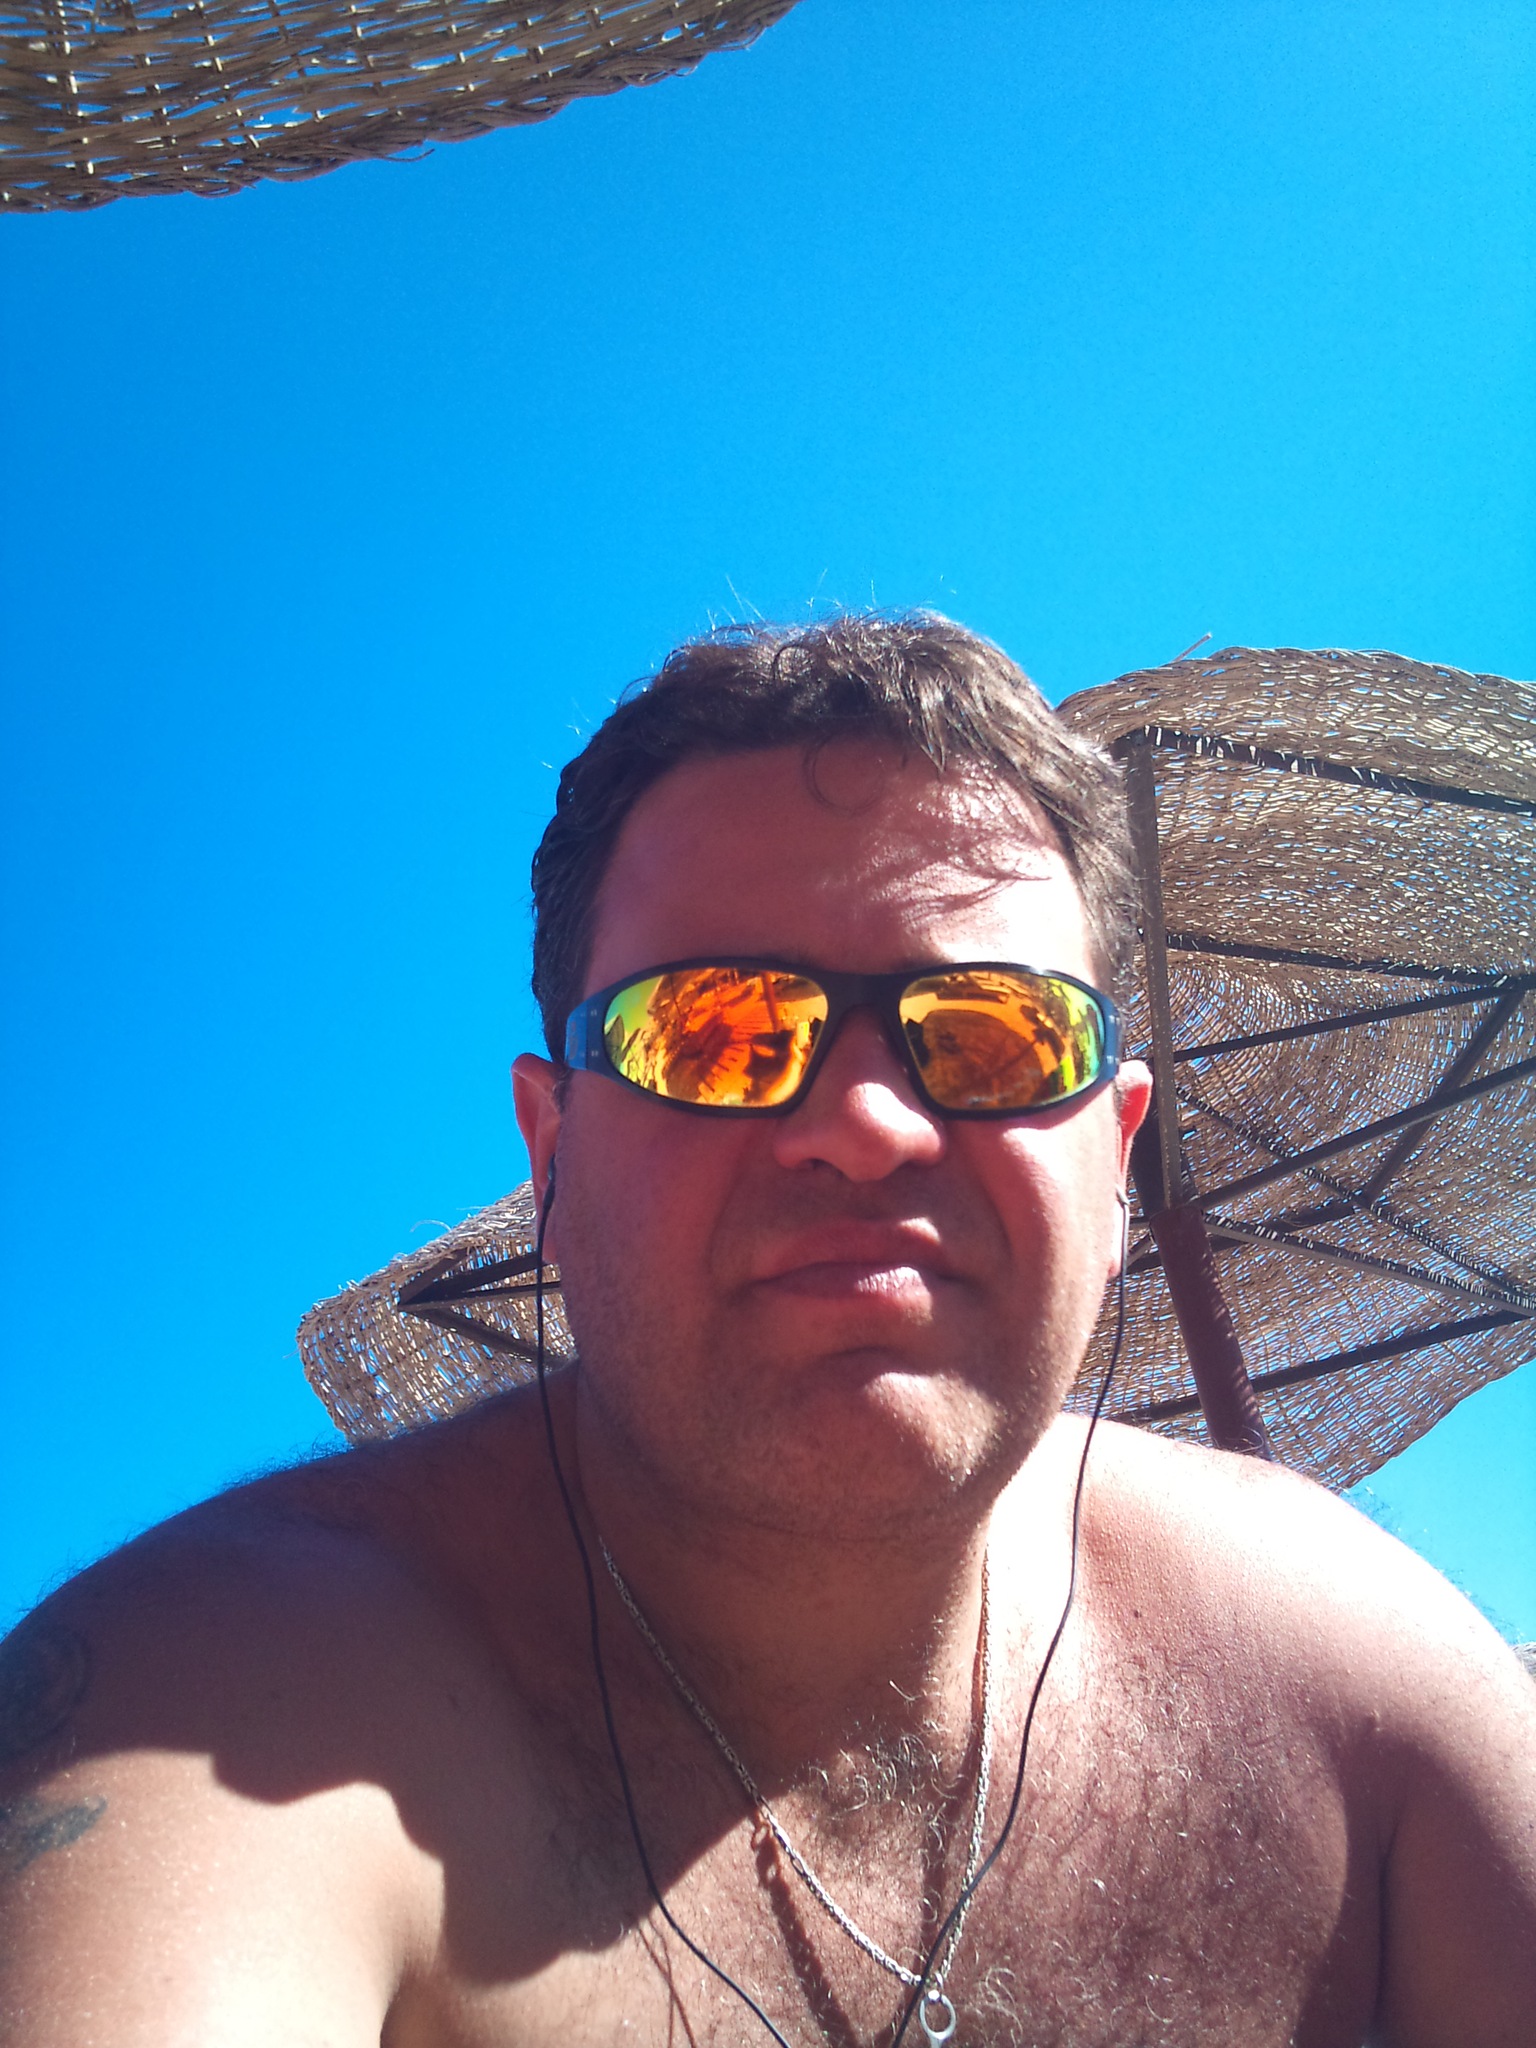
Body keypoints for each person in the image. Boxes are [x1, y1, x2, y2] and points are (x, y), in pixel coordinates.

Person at [1, 614, 1532, 2048]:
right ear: (554, 1156)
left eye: (993, 1034)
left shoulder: (1345, 1663)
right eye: (716, 1032)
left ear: (1117, 1153)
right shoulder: (222, 1710)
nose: (865, 1126)